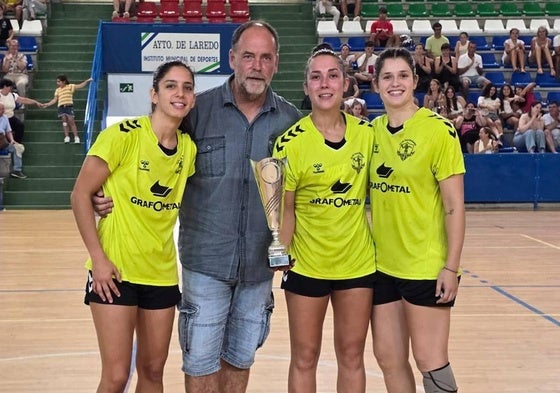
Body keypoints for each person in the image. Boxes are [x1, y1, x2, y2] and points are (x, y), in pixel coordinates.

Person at [92, 21, 302, 393]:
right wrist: (104, 192)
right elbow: (154, 155)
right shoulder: (196, 112)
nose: (256, 65)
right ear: (232, 58)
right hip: (205, 263)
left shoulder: (290, 122)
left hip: (258, 268)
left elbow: (298, 191)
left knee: (240, 358)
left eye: (266, 57)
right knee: (201, 361)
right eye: (248, 56)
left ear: (276, 63)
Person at [71, 60, 197, 393]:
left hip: (162, 273)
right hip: (115, 272)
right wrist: (98, 260)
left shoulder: (189, 149)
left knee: (153, 372)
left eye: (187, 87)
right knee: (115, 376)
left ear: (194, 98)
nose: (179, 93)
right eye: (170, 86)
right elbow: (81, 194)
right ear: (154, 94)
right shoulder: (122, 136)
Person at [274, 47, 375, 393]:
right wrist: (280, 253)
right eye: (316, 77)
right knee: (305, 356)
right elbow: (284, 209)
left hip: (358, 264)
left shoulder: (368, 135)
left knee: (351, 354)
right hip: (306, 266)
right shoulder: (290, 143)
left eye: (333, 75)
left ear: (346, 84)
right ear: (305, 87)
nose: (325, 83)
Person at [369, 47, 465, 393]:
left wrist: (450, 267)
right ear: (377, 84)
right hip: (382, 266)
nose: (395, 83)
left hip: (426, 266)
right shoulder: (372, 132)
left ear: (415, 81)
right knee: (388, 357)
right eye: (387, 77)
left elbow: (454, 206)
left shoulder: (439, 131)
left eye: (402, 76)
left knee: (430, 360)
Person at [41, 75, 93, 144]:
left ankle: (76, 137)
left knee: (71, 121)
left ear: (64, 81)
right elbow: (54, 100)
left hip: (68, 107)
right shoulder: (57, 90)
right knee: (64, 122)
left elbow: (80, 86)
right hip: (61, 107)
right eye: (57, 82)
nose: (57, 83)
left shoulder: (70, 86)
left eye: (59, 81)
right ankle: (67, 137)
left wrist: (87, 81)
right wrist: (47, 104)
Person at [0, 78, 42, 143]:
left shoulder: (13, 95)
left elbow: (24, 100)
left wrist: (35, 102)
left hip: (11, 117)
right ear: (5, 86)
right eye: (10, 86)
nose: (11, 88)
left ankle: (16, 143)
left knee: (20, 126)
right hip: (1, 118)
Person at [0, 102, 26, 178]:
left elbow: (8, 131)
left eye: (3, 109)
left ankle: (17, 170)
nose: (3, 111)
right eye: (1, 110)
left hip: (2, 140)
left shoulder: (5, 117)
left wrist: (12, 140)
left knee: (18, 148)